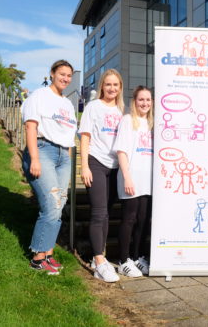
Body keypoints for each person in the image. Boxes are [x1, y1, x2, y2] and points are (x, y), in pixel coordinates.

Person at [21, 60, 77, 275]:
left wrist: (69, 158)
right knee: (51, 205)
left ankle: (48, 254)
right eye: (62, 74)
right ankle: (37, 259)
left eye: (69, 75)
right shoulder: (39, 96)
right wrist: (34, 158)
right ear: (52, 74)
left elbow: (68, 134)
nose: (65, 78)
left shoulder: (67, 103)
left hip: (64, 155)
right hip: (43, 150)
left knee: (59, 204)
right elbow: (31, 126)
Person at [79, 68, 124, 283]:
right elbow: (85, 137)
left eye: (116, 85)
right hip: (96, 162)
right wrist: (84, 166)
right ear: (102, 86)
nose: (112, 88)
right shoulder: (93, 107)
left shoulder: (122, 110)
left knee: (107, 213)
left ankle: (101, 255)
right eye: (108, 84)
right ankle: (99, 262)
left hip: (115, 167)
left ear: (120, 87)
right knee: (98, 213)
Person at [113, 86, 154, 277]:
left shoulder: (152, 123)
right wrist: (127, 177)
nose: (145, 103)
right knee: (129, 219)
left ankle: (137, 258)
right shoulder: (128, 120)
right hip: (132, 178)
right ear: (134, 101)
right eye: (141, 100)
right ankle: (123, 260)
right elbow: (121, 151)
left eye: (148, 99)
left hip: (148, 181)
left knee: (143, 221)